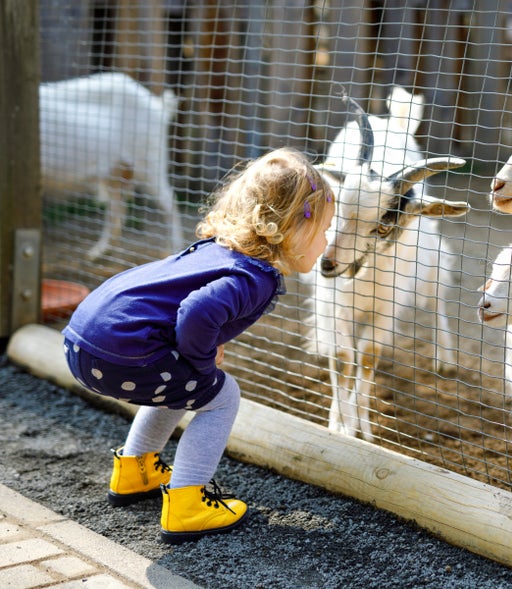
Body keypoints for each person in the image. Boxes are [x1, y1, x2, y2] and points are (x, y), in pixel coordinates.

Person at [62, 147, 334, 544]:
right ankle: (188, 503)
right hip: (123, 354)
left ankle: (135, 471)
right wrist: (203, 362)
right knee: (221, 395)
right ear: (293, 227)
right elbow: (198, 311)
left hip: (83, 343)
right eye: (324, 228)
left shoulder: (217, 251)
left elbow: (183, 310)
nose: (328, 240)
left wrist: (196, 357)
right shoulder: (254, 277)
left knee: (184, 383)